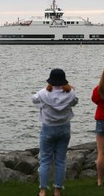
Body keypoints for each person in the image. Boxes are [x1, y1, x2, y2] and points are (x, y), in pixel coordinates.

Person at [32, 68, 78, 196]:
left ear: (50, 80)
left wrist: (44, 98)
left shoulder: (43, 94)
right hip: (64, 128)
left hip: (48, 128)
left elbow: (34, 99)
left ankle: (42, 191)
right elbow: (75, 102)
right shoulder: (71, 93)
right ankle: (57, 190)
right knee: (61, 160)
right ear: (64, 80)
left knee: (45, 160)